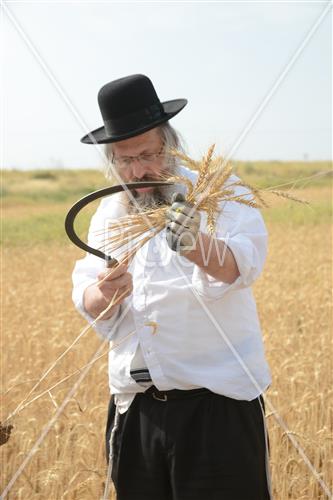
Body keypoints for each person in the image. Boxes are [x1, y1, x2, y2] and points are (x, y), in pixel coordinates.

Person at [72, 74, 272, 500]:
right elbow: (88, 293)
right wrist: (104, 293)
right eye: (124, 161)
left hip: (217, 406)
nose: (138, 170)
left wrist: (196, 245)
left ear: (171, 143)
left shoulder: (219, 192)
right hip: (135, 408)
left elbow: (244, 264)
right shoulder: (109, 213)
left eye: (147, 155)